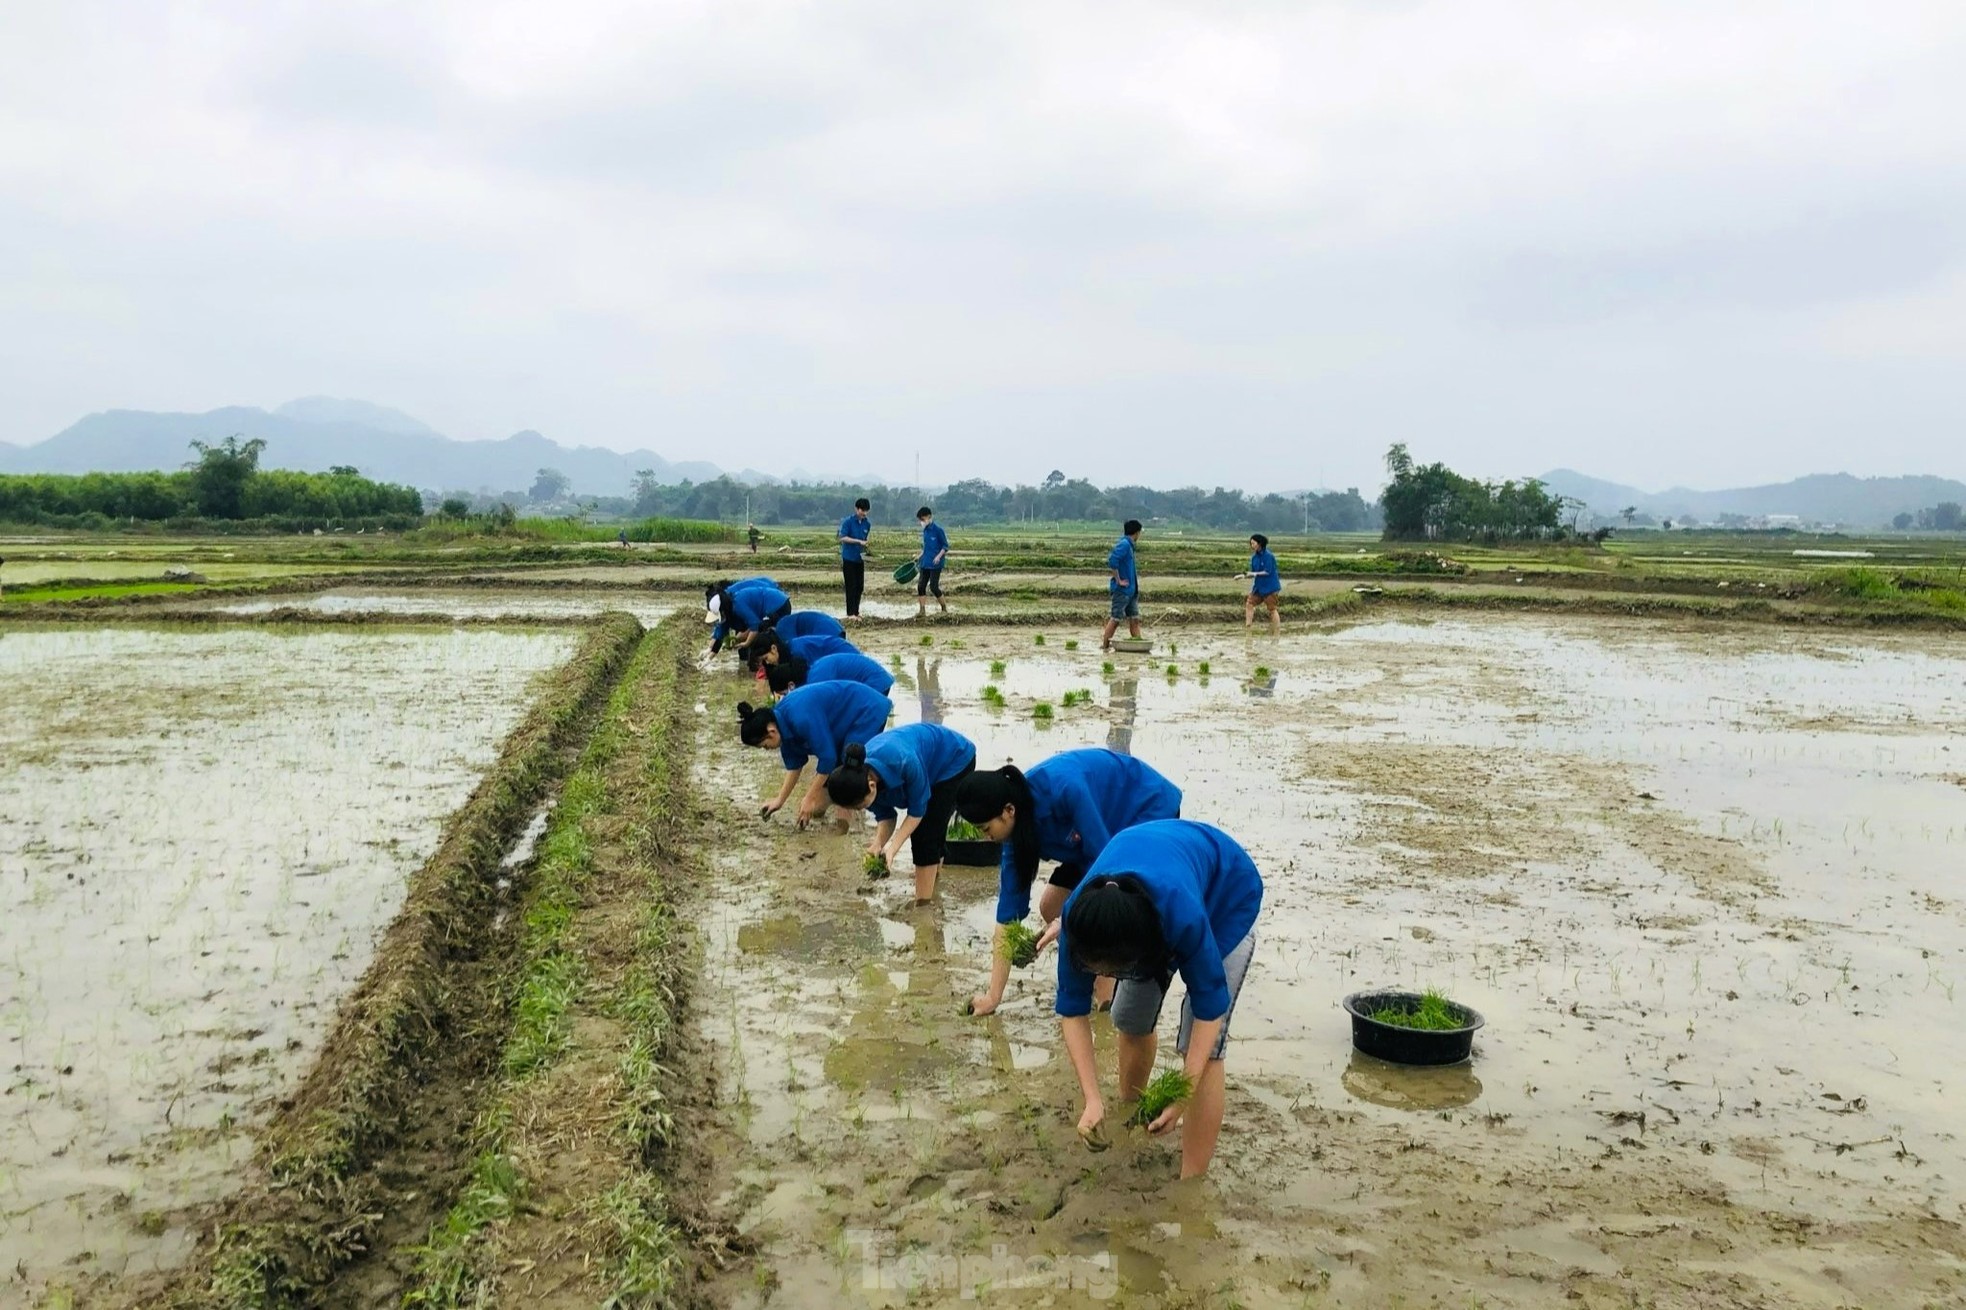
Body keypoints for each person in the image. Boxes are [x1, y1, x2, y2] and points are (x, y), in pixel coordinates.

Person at [1056, 820, 1263, 1179]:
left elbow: (1209, 1011)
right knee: (1130, 1019)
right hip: (1151, 888)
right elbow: (1072, 1012)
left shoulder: (1182, 914)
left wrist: (1182, 1097)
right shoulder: (1079, 921)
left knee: (1202, 1050)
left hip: (1227, 896)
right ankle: (1134, 1114)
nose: (1106, 977)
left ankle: (1190, 1181)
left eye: (1116, 970)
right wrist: (1092, 1098)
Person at [954, 750, 1183, 1018]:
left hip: (1142, 810)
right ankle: (1101, 980)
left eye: (985, 829)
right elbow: (1006, 919)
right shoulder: (1015, 837)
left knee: (1100, 909)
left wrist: (1066, 920)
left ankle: (1107, 992)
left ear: (1008, 811)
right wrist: (993, 996)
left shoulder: (1065, 788)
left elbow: (1108, 868)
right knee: (1051, 905)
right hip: (1092, 841)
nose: (986, 838)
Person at [825, 723, 977, 902]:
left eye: (859, 807)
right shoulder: (860, 782)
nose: (860, 810)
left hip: (954, 759)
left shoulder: (903, 761)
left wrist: (892, 850)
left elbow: (917, 812)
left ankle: (923, 905)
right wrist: (878, 844)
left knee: (926, 831)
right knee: (933, 827)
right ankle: (933, 884)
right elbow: (887, 817)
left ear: (872, 786)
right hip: (926, 758)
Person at [740, 681, 893, 827]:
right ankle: (846, 812)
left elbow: (827, 758)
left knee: (848, 768)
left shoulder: (800, 718)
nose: (767, 750)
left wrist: (809, 798)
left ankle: (848, 826)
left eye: (764, 746)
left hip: (866, 709)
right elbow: (795, 766)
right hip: (841, 726)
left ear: (771, 732)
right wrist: (780, 800)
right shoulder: (782, 724)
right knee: (817, 807)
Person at [705, 578, 791, 656]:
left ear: (723, 609)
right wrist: (709, 652)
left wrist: (746, 642)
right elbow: (720, 631)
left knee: (765, 637)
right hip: (765, 609)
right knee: (747, 641)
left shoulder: (738, 605)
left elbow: (754, 626)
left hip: (779, 605)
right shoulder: (728, 608)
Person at [765, 649, 896, 696]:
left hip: (875, 681)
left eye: (784, 694)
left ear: (791, 685)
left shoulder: (817, 680)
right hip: (874, 679)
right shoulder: (813, 672)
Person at [1100, 519, 1143, 651]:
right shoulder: (1124, 544)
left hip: (1132, 591)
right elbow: (1113, 560)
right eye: (1140, 533)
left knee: (1135, 619)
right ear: (1136, 533)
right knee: (1116, 619)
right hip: (1122, 591)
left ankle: (1139, 646)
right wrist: (1118, 580)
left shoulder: (1130, 546)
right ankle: (1105, 646)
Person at [742, 629, 858, 673]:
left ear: (773, 649)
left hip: (845, 655)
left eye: (766, 658)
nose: (767, 663)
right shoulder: (788, 651)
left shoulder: (796, 654)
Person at [838, 497, 872, 620]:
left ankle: (856, 612)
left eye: (866, 511)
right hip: (849, 559)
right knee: (850, 586)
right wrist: (858, 541)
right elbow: (842, 538)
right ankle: (850, 614)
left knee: (859, 586)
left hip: (859, 559)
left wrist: (867, 547)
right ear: (856, 509)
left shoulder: (867, 524)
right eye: (862, 510)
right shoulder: (848, 522)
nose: (864, 513)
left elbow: (865, 539)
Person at [1241, 533, 1282, 635]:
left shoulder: (1269, 556)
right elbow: (1253, 573)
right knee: (1249, 603)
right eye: (1251, 544)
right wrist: (1243, 576)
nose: (1252, 546)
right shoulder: (1254, 558)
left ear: (1259, 544)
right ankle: (1248, 627)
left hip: (1270, 587)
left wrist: (1254, 573)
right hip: (1259, 587)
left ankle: (1277, 630)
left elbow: (1267, 572)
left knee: (1272, 609)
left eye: (1253, 543)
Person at [914, 506, 949, 617]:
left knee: (934, 587)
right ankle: (922, 610)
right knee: (921, 586)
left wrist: (938, 557)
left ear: (929, 517)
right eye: (920, 520)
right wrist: (919, 556)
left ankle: (944, 608)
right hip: (925, 563)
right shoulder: (925, 531)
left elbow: (945, 546)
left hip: (935, 564)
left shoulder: (938, 530)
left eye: (922, 519)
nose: (921, 522)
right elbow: (926, 548)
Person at [762, 610, 847, 642]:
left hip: (825, 631)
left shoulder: (781, 628)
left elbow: (792, 647)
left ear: (770, 629)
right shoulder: (787, 620)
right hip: (836, 628)